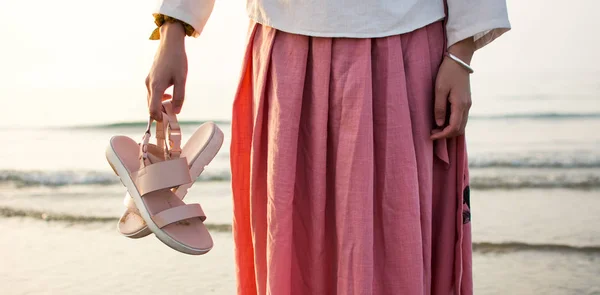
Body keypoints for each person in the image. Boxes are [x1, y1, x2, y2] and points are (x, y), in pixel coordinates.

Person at [144, 0, 510, 294]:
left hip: (406, 43)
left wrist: (461, 57)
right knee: (291, 239)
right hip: (288, 45)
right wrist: (173, 31)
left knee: (398, 237)